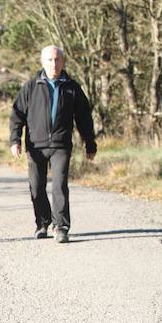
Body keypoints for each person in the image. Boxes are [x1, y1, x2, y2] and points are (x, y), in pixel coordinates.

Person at [9, 45, 97, 243]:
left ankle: (61, 226)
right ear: (42, 62)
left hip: (61, 145)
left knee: (59, 185)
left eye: (57, 60)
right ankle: (42, 223)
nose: (54, 64)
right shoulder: (31, 87)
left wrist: (90, 143)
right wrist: (15, 140)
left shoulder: (72, 88)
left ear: (63, 61)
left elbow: (84, 118)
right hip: (36, 145)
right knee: (36, 187)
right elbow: (17, 115)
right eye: (50, 60)